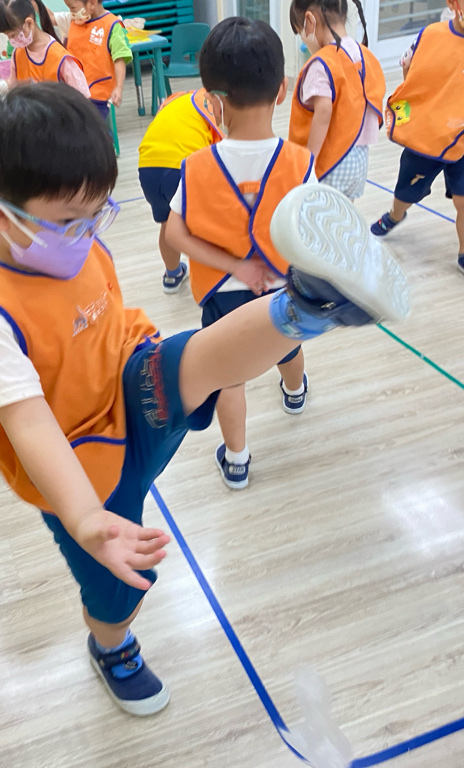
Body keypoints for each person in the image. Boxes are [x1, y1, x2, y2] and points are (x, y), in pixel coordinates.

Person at [0, 77, 410, 716]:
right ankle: (111, 645)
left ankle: (311, 305)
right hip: (81, 468)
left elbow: (108, 316)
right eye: (72, 222)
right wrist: (85, 519)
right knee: (120, 589)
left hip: (128, 385)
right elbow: (30, 427)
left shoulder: (72, 241)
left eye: (99, 213)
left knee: (202, 356)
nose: (88, 233)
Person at [164, 19, 313, 490]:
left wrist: (234, 266)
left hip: (222, 292)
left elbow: (174, 234)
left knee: (229, 378)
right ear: (283, 90)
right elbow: (312, 229)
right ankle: (294, 392)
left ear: (213, 100)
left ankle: (237, 460)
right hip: (281, 288)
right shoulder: (300, 162)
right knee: (287, 346)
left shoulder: (196, 166)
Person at [370, 0, 464, 284]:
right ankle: (395, 215)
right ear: (454, 3)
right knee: (406, 194)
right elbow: (409, 70)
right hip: (426, 137)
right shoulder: (430, 35)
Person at [288, 0, 385, 200]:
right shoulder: (364, 54)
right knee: (343, 213)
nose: (304, 41)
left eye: (301, 34)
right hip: (359, 159)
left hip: (331, 162)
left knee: (319, 214)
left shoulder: (322, 63)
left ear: (309, 21)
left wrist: (309, 160)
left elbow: (323, 110)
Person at [137, 89, 223, 293]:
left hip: (147, 167)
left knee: (167, 222)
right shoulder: (208, 104)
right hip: (182, 168)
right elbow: (222, 154)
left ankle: (172, 275)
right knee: (202, 226)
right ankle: (212, 278)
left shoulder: (175, 101)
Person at [0, 0, 90, 97]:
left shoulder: (61, 59)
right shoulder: (17, 54)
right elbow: (13, 84)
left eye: (13, 35)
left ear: (29, 23)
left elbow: (82, 99)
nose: (11, 40)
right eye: (7, 36)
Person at [63, 0, 132, 119]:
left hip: (98, 94)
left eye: (73, 8)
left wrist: (119, 87)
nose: (71, 12)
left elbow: (119, 59)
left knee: (93, 126)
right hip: (74, 92)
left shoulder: (112, 25)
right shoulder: (75, 22)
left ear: (92, 3)